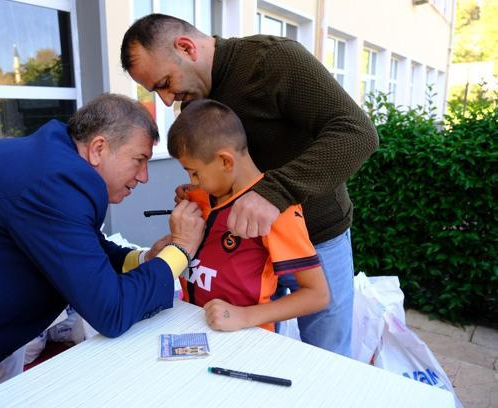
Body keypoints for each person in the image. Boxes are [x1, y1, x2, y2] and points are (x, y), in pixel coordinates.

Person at [0, 93, 205, 407]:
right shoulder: (57, 181)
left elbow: (84, 243)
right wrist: (181, 249)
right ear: (98, 149)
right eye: (139, 160)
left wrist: (145, 259)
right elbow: (111, 311)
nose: (145, 177)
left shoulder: (55, 164)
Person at [121, 14, 379, 356]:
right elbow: (228, 176)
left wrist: (275, 192)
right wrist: (200, 194)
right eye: (157, 91)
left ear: (186, 48)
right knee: (255, 348)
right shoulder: (194, 102)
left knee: (327, 356)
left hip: (316, 239)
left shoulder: (272, 60)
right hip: (247, 252)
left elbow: (358, 133)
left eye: (165, 82)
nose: (168, 101)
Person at [168, 99, 329, 333]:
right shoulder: (198, 196)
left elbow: (317, 295)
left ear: (225, 161)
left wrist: (244, 316)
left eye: (194, 173)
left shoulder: (274, 210)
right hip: (193, 326)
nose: (192, 182)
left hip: (247, 337)